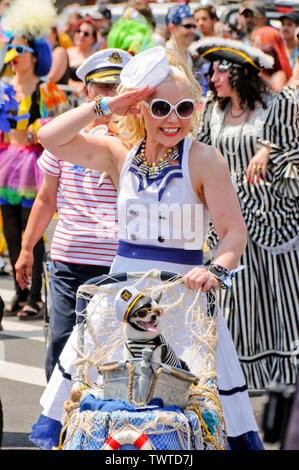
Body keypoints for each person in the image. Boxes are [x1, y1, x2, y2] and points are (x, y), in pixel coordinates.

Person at [32, 46, 264, 450]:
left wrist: (217, 271)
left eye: (184, 108)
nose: (173, 120)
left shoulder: (206, 160)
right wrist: (109, 104)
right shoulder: (117, 153)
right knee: (105, 416)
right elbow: (49, 138)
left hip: (184, 303)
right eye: (160, 107)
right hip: (119, 298)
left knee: (186, 421)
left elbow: (233, 234)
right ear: (140, 108)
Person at [15, 48, 131, 381]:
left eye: (118, 88)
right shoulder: (65, 139)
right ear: (86, 92)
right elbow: (45, 199)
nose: (110, 96)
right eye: (103, 89)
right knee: (62, 345)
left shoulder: (136, 142)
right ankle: (58, 426)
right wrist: (26, 251)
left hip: (117, 261)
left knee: (113, 350)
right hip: (69, 259)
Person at [194, 37, 299, 390]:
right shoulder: (212, 110)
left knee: (280, 299)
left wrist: (270, 150)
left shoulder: (274, 106)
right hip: (228, 218)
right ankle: (235, 381)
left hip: (270, 218)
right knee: (235, 302)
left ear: (238, 73)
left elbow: (293, 149)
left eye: (219, 72)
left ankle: (286, 380)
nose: (213, 79)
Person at [0, 0, 58, 318]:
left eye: (20, 49)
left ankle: (36, 294)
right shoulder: (2, 88)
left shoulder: (44, 89)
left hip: (33, 165)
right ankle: (20, 291)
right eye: (11, 47)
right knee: (9, 230)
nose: (13, 54)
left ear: (34, 56)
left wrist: (40, 127)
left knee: (31, 230)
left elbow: (52, 126)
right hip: (7, 161)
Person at [251, 26, 293, 93]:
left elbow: (276, 98)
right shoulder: (256, 69)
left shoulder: (278, 76)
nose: (253, 47)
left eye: (257, 43)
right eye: (252, 41)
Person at [67, 18, 98, 87]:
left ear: (93, 39)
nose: (81, 35)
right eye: (78, 31)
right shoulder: (67, 52)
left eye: (86, 34)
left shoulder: (95, 58)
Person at [165, 4, 196, 71]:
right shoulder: (164, 55)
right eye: (187, 26)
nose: (192, 31)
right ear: (172, 27)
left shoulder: (189, 55)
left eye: (194, 26)